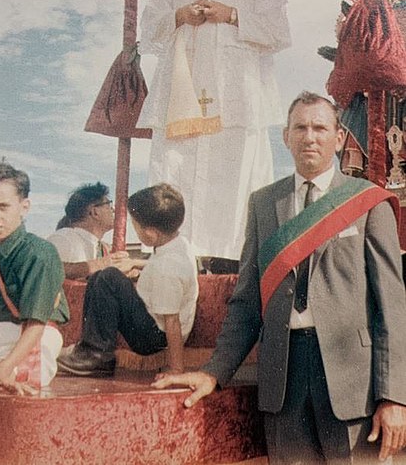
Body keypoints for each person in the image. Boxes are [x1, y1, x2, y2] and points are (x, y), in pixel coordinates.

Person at [153, 92, 406, 464]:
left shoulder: (368, 202)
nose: (310, 136)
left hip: (354, 386)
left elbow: (393, 309)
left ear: (338, 139)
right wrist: (214, 372)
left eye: (320, 127)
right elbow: (246, 303)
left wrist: (395, 395)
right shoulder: (263, 203)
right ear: (286, 136)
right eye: (300, 128)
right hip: (282, 380)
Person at [138, 0, 291, 261]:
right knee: (177, 170)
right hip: (182, 95)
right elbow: (149, 28)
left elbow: (279, 33)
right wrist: (179, 16)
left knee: (236, 175)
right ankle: (175, 259)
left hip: (237, 95)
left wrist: (232, 14)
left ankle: (233, 261)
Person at [57, 183, 199, 376]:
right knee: (104, 276)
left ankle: (96, 354)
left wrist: (176, 369)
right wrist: (134, 263)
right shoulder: (180, 245)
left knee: (107, 277)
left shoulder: (166, 269)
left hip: (155, 338)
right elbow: (163, 265)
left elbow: (172, 322)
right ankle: (91, 349)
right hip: (157, 326)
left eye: (136, 226)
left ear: (150, 233)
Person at [0, 163, 69, 394]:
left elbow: (36, 324)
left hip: (31, 346)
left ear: (24, 207)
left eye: (3, 207)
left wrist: (6, 367)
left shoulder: (40, 253)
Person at [47, 182, 135, 279]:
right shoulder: (63, 238)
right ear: (95, 212)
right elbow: (47, 269)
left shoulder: (102, 248)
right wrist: (101, 264)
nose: (113, 210)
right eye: (109, 205)